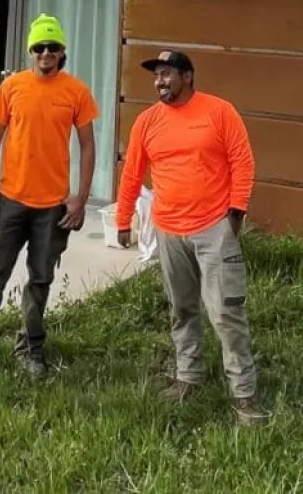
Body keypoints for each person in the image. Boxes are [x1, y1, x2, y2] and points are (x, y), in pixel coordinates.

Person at [115, 50, 269, 426]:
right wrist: (123, 219)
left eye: (167, 74)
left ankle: (244, 394)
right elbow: (132, 173)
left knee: (226, 311)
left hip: (214, 227)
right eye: (157, 76)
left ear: (187, 76)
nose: (159, 82)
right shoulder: (147, 122)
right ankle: (189, 376)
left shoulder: (219, 112)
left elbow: (242, 161)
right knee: (181, 308)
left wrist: (236, 211)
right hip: (169, 230)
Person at [0, 13, 98, 379]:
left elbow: (88, 146)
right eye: (39, 47)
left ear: (62, 52)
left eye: (52, 47)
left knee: (40, 279)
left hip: (53, 208)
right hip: (10, 201)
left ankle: (30, 348)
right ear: (31, 51)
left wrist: (80, 199)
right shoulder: (12, 87)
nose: (45, 53)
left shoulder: (76, 91)